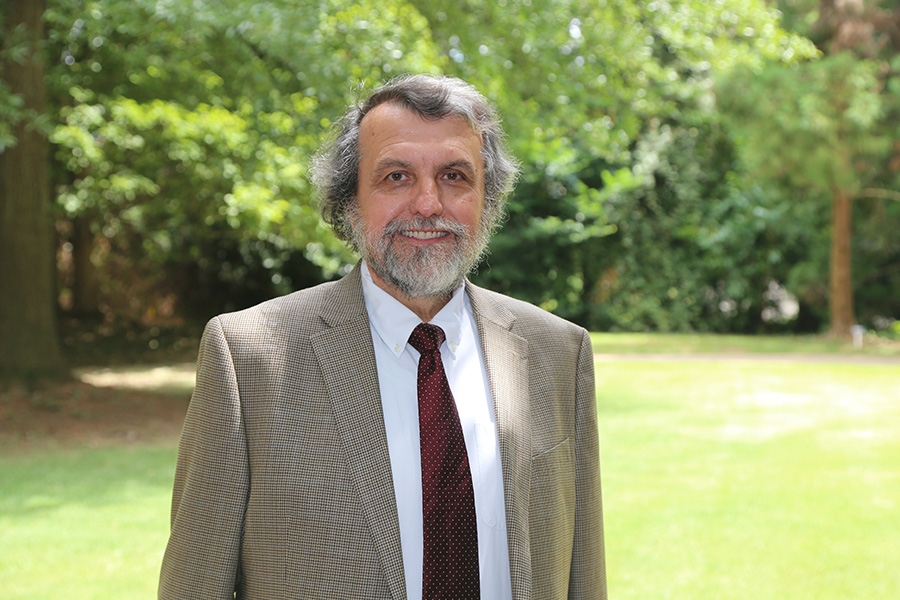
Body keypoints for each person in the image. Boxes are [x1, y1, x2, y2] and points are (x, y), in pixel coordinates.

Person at [159, 74, 606, 599]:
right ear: (351, 201)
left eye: (455, 176)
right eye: (396, 176)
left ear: (487, 200)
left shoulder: (557, 353)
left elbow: (583, 579)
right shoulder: (250, 357)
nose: (427, 204)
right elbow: (195, 584)